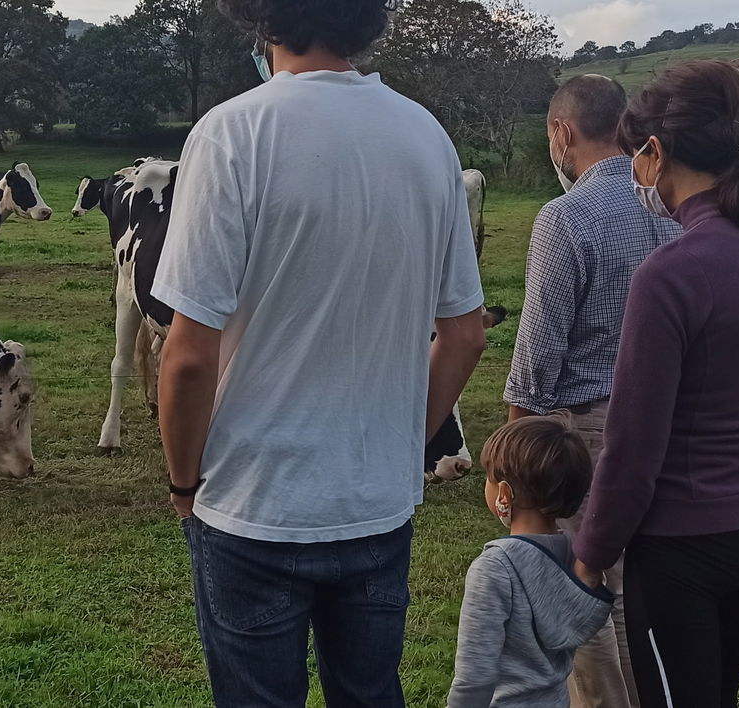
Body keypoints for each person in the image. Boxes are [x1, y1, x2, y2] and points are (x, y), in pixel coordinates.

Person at [152, 0, 488, 705]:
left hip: (252, 502)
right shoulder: (427, 137)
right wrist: (402, 445)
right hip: (376, 504)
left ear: (262, 22)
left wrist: (184, 483)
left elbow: (187, 355)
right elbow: (464, 333)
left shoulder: (232, 134)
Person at [573, 60, 739, 708]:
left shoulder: (671, 274)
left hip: (678, 549)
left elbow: (633, 449)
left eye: (637, 156)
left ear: (655, 152)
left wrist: (589, 553)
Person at [504, 73, 681, 708]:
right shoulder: (670, 205)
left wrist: (512, 448)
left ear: (561, 133)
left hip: (588, 430)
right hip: (668, 425)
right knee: (641, 594)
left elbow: (538, 349)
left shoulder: (566, 216)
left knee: (582, 589)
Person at [447, 415, 613, 708]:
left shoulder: (495, 569)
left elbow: (475, 678)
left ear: (504, 493)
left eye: (489, 476)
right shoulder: (576, 560)